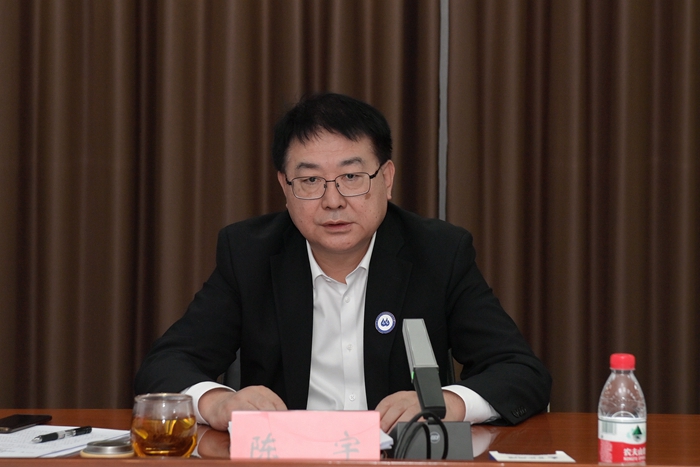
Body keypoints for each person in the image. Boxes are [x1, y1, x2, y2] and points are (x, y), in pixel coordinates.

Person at [134, 92, 551, 433]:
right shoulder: (250, 254)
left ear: (386, 179)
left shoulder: (438, 253)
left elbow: (520, 372)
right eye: (310, 180)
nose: (332, 201)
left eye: (351, 177)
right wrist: (218, 403)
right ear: (285, 187)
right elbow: (165, 365)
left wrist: (446, 403)